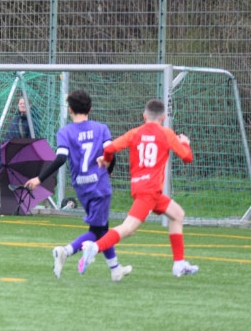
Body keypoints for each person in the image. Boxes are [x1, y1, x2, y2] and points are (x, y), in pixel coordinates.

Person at [77, 98, 198, 277]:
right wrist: (185, 142)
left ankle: (179, 264)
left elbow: (109, 149)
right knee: (128, 228)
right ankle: (94, 247)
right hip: (150, 191)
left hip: (142, 188)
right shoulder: (167, 133)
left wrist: (106, 161)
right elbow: (187, 157)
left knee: (177, 214)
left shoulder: (135, 133)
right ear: (163, 118)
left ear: (144, 116)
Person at [23, 90, 131, 282]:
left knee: (102, 229)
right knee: (97, 231)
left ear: (70, 110)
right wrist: (110, 168)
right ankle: (65, 251)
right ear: (90, 109)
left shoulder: (65, 132)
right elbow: (110, 151)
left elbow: (61, 158)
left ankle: (115, 269)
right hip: (99, 185)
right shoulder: (101, 128)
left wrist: (40, 178)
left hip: (81, 186)